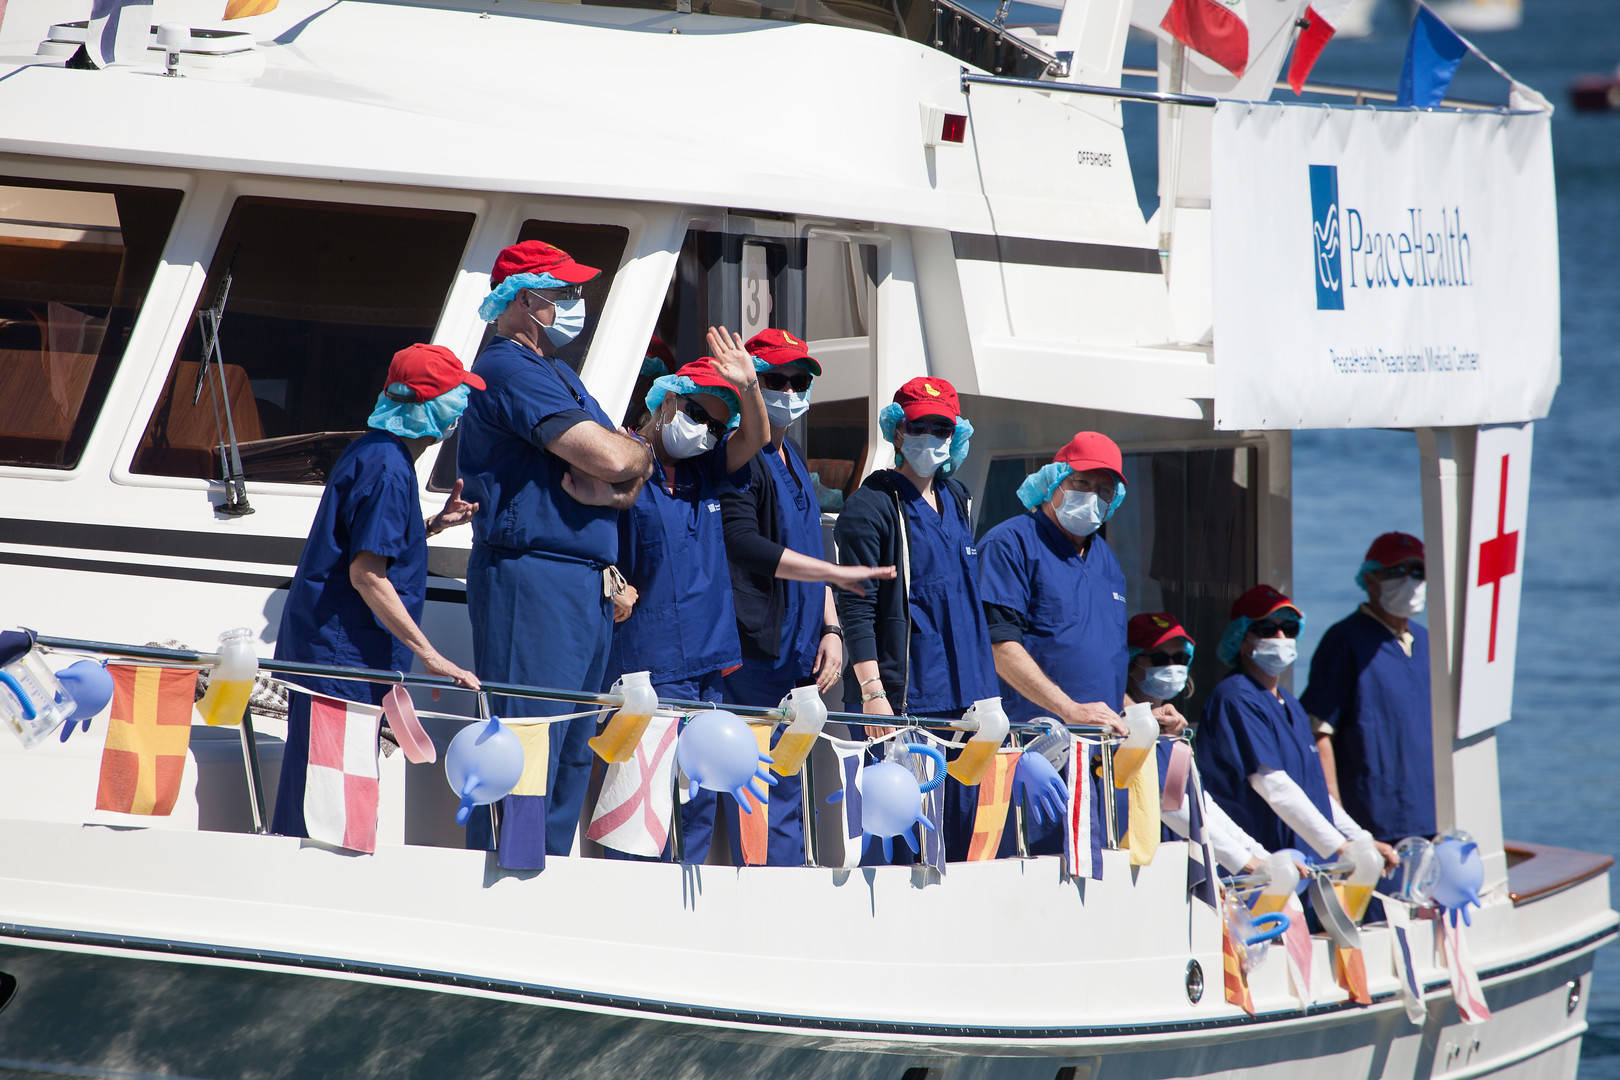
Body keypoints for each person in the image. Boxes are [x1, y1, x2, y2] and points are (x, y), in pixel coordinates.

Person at [457, 240, 654, 867]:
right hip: (532, 575)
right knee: (528, 739)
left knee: (569, 745)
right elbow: (613, 457)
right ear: (521, 301)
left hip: (580, 580)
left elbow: (628, 460)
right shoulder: (510, 369)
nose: (576, 304)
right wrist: (624, 469)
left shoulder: (556, 372)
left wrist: (626, 472)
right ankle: (511, 872)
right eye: (562, 292)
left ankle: (542, 872)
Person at [271, 344, 483, 838]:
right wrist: (432, 656)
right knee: (330, 811)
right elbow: (367, 574)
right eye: (454, 397)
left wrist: (429, 526)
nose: (459, 412)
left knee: (325, 794)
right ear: (427, 404)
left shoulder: (373, 451)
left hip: (337, 659)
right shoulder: (389, 469)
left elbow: (364, 545)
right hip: (343, 663)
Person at [719, 328, 895, 865]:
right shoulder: (735, 456)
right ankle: (757, 915)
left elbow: (811, 540)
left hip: (798, 660)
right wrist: (834, 575)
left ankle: (786, 902)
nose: (791, 391)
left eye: (800, 382)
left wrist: (832, 627)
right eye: (777, 380)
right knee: (753, 802)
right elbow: (746, 546)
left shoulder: (793, 456)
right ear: (752, 384)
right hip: (752, 657)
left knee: (787, 797)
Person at [606, 337, 767, 862]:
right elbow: (590, 543)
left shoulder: (705, 471)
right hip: (645, 663)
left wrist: (750, 387)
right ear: (668, 399)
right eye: (698, 412)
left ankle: (686, 911)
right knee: (639, 801)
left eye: (718, 425)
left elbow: (758, 437)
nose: (707, 432)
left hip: (705, 660)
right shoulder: (621, 460)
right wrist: (610, 584)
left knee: (697, 795)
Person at [834, 376, 997, 863]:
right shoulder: (873, 505)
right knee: (900, 845)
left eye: (942, 428)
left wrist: (988, 700)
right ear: (899, 432)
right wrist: (873, 694)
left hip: (965, 706)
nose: (932, 437)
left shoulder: (957, 499)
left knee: (958, 842)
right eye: (920, 426)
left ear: (956, 435)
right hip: (904, 705)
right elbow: (855, 606)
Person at [977, 433, 1134, 856]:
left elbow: (1104, 660)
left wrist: (1138, 713)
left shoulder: (1107, 561)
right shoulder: (1010, 544)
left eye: (1104, 490)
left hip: (1096, 763)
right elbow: (999, 648)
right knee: (1027, 879)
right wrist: (1070, 710)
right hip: (1032, 758)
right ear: (1055, 481)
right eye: (1082, 483)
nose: (1092, 497)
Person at [1195, 585, 1398, 871]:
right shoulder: (1236, 697)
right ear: (1241, 639)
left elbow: (1316, 794)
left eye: (1288, 628)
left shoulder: (1291, 706)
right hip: (1262, 868)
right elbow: (1272, 784)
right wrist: (1340, 847)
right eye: (1266, 628)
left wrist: (1359, 840)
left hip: (1305, 865)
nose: (1280, 637)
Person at [1300, 532, 1436, 846]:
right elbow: (1319, 732)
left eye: (1418, 572)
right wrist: (1338, 821)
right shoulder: (1345, 640)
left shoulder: (1429, 643)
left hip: (1430, 818)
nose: (1409, 581)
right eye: (1396, 572)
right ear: (1371, 578)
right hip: (1373, 822)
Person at [1126, 613, 1268, 874]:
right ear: (1132, 663)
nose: (1172, 667)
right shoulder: (1128, 730)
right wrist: (1242, 862)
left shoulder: (1173, 732)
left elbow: (1199, 802)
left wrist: (1256, 852)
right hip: (1145, 867)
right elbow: (1170, 805)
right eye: (1159, 659)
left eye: (1180, 659)